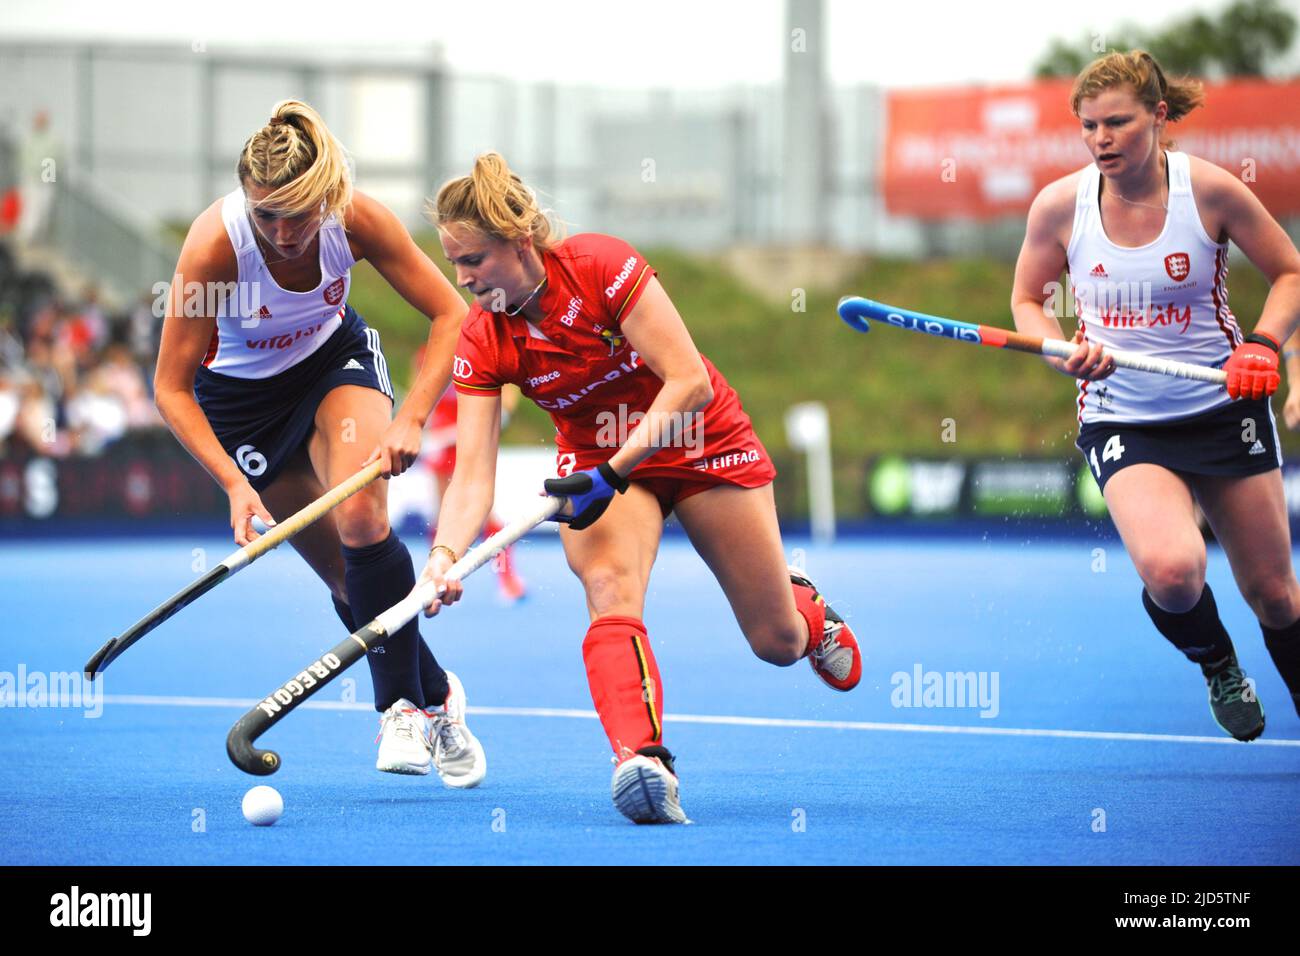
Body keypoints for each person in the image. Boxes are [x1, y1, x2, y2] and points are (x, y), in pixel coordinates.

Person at [417, 152, 862, 824]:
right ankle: (643, 760)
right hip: (600, 465)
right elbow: (472, 474)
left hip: (700, 441)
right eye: (455, 263)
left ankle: (806, 609)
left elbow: (688, 381)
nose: (464, 278)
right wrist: (444, 558)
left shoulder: (600, 266)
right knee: (609, 588)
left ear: (518, 242)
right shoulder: (484, 338)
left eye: (474, 260)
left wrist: (615, 471)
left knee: (777, 644)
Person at [153, 100, 486, 785]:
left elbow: (453, 312)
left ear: (326, 198)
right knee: (348, 580)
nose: (280, 233)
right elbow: (171, 388)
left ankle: (399, 709)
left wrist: (412, 417)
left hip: (334, 367)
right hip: (244, 407)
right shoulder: (213, 247)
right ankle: (440, 692)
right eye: (264, 215)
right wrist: (233, 483)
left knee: (363, 519)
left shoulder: (355, 218)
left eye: (296, 216)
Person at [1011, 50, 1300, 740]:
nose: (1101, 139)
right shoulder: (1059, 206)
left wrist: (1263, 342)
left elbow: (1290, 272)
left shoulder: (1212, 192)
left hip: (1224, 408)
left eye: (1117, 122)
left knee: (1277, 598)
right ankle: (1219, 664)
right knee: (1174, 572)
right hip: (1124, 416)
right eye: (1088, 126)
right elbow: (1027, 299)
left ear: (1159, 117)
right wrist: (1059, 349)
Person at [411, 344, 527, 602]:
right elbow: (420, 395)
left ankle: (507, 579)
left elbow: (507, 393)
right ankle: (439, 578)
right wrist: (423, 429)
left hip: (472, 430)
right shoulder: (427, 355)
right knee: (441, 512)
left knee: (483, 511)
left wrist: (499, 415)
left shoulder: (484, 350)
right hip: (442, 437)